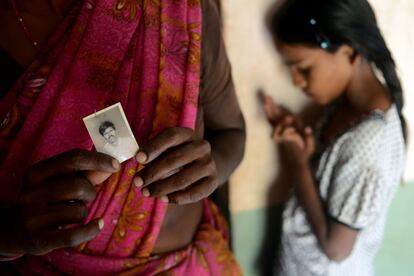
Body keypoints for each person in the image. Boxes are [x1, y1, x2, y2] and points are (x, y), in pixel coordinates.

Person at [0, 0, 245, 275]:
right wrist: (9, 233)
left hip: (185, 266)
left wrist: (204, 170)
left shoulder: (182, 8)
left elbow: (232, 134)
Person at [263, 0, 406, 275]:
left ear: (349, 53)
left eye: (303, 68)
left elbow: (336, 249)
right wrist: (302, 142)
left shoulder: (369, 142)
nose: (296, 81)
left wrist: (299, 164)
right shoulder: (345, 108)